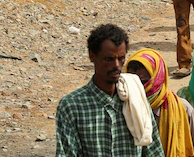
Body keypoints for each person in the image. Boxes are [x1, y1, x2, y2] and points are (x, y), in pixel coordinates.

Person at [55, 24, 165, 157]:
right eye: (109, 59)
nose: (117, 65)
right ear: (92, 56)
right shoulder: (72, 106)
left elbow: (153, 151)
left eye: (121, 58)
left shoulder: (136, 96)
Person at [125, 49, 194, 157]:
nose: (138, 88)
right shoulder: (122, 109)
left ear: (158, 79)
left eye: (144, 82)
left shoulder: (182, 109)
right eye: (133, 82)